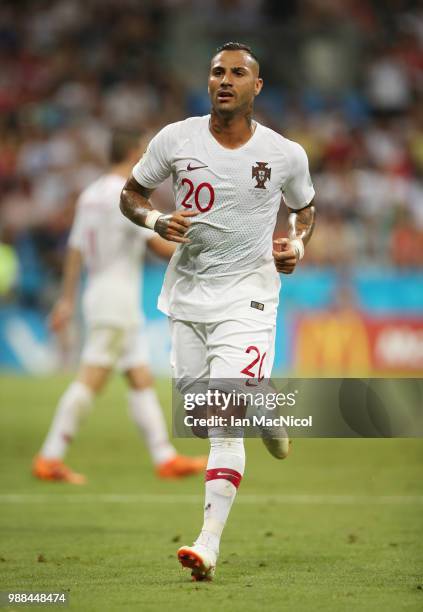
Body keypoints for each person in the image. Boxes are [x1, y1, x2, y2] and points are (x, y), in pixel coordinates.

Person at [120, 42, 316, 580]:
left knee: (223, 421)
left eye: (237, 73)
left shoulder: (284, 154)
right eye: (216, 72)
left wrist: (294, 245)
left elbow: (304, 209)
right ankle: (264, 405)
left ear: (257, 86)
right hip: (186, 295)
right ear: (208, 82)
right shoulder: (175, 139)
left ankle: (207, 543)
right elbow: (131, 193)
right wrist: (156, 222)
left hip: (249, 295)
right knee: (202, 420)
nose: (224, 80)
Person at [32, 129, 207, 484]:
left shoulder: (91, 194)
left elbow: (76, 249)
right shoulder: (127, 196)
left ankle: (164, 457)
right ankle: (50, 456)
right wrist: (202, 253)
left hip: (98, 292)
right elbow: (157, 245)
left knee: (139, 377)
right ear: (134, 153)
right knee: (91, 378)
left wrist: (67, 299)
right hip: (117, 297)